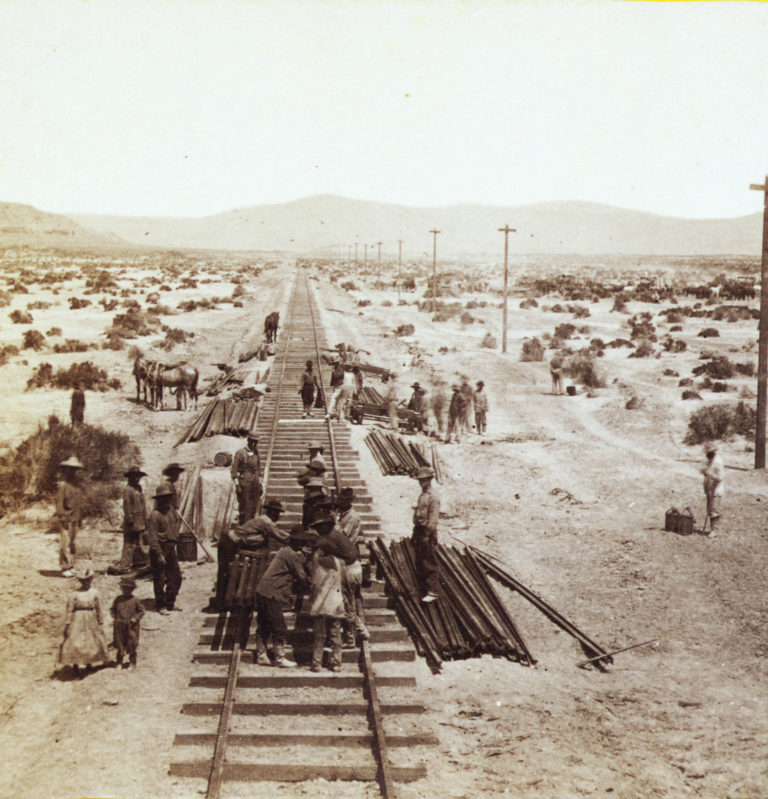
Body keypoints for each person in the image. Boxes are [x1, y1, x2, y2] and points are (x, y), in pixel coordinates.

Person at [253, 525, 315, 667]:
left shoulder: (285, 551)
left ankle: (261, 654)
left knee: (264, 625)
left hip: (263, 591)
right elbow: (301, 576)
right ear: (297, 542)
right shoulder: (291, 555)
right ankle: (279, 657)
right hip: (272, 593)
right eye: (303, 542)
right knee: (279, 626)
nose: (305, 545)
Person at [308, 514, 348, 672]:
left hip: (320, 602)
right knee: (335, 634)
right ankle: (336, 662)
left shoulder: (316, 560)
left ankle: (316, 663)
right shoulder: (339, 563)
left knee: (319, 635)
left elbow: (314, 581)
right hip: (335, 602)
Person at [57, 565, 110, 677]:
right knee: (75, 641)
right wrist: (68, 622)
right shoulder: (75, 594)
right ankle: (76, 666)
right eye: (84, 581)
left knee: (91, 641)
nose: (86, 583)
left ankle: (89, 665)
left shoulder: (95, 592)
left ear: (91, 580)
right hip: (78, 619)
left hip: (91, 618)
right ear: (80, 581)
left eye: (88, 580)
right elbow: (69, 609)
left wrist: (100, 619)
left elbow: (98, 607)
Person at [335, 488, 369, 647]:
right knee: (347, 600)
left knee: (348, 602)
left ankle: (355, 634)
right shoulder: (344, 514)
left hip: (348, 560)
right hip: (345, 559)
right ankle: (353, 632)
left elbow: (342, 536)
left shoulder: (352, 517)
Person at [145, 482, 182, 615]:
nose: (165, 500)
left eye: (167, 497)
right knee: (160, 579)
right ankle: (161, 605)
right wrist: (159, 554)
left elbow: (176, 524)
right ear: (158, 500)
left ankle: (170, 603)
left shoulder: (172, 511)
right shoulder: (155, 515)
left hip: (171, 548)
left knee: (176, 578)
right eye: (163, 498)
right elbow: (153, 538)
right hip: (159, 549)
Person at [110, 466, 148, 575]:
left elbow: (143, 505)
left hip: (140, 520)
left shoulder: (139, 488)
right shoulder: (127, 489)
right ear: (130, 477)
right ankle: (124, 566)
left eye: (138, 477)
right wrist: (130, 519)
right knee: (129, 544)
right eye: (135, 476)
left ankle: (141, 563)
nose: (137, 478)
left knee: (142, 542)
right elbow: (126, 506)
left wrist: (145, 518)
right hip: (131, 522)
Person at [412, 465, 440, 602]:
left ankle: (433, 591)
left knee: (429, 561)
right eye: (420, 480)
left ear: (429, 480)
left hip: (426, 531)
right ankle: (423, 589)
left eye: (423, 480)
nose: (421, 483)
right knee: (420, 560)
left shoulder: (433, 497)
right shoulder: (423, 495)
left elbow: (433, 519)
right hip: (419, 529)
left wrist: (427, 534)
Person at [56, 456, 84, 578]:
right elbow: (59, 504)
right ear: (66, 470)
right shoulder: (63, 485)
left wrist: (80, 519)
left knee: (73, 543)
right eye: (70, 469)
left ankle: (72, 566)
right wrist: (63, 517)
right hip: (66, 519)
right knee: (65, 543)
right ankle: (64, 566)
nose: (73, 472)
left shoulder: (77, 486)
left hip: (74, 519)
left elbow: (79, 505)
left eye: (75, 470)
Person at [110, 577, 144, 670]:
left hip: (131, 625)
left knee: (132, 643)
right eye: (124, 588)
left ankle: (132, 662)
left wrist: (135, 618)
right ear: (121, 589)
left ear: (132, 589)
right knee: (119, 642)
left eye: (129, 589)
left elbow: (141, 611)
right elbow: (112, 609)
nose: (126, 590)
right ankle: (119, 662)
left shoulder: (135, 600)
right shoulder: (118, 599)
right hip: (119, 624)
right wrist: (115, 618)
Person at [231, 432, 262, 524]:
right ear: (248, 441)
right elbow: (234, 471)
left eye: (256, 442)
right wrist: (237, 485)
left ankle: (252, 526)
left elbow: (259, 469)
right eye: (253, 442)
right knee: (245, 506)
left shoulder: (256, 453)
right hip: (244, 482)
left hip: (255, 482)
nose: (254, 444)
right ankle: (244, 527)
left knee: (255, 505)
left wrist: (260, 483)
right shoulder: (240, 453)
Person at [702, 445, 724, 537]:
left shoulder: (718, 462)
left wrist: (709, 474)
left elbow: (720, 477)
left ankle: (715, 530)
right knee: (710, 509)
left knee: (714, 509)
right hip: (709, 489)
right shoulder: (709, 461)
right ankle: (712, 529)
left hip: (716, 489)